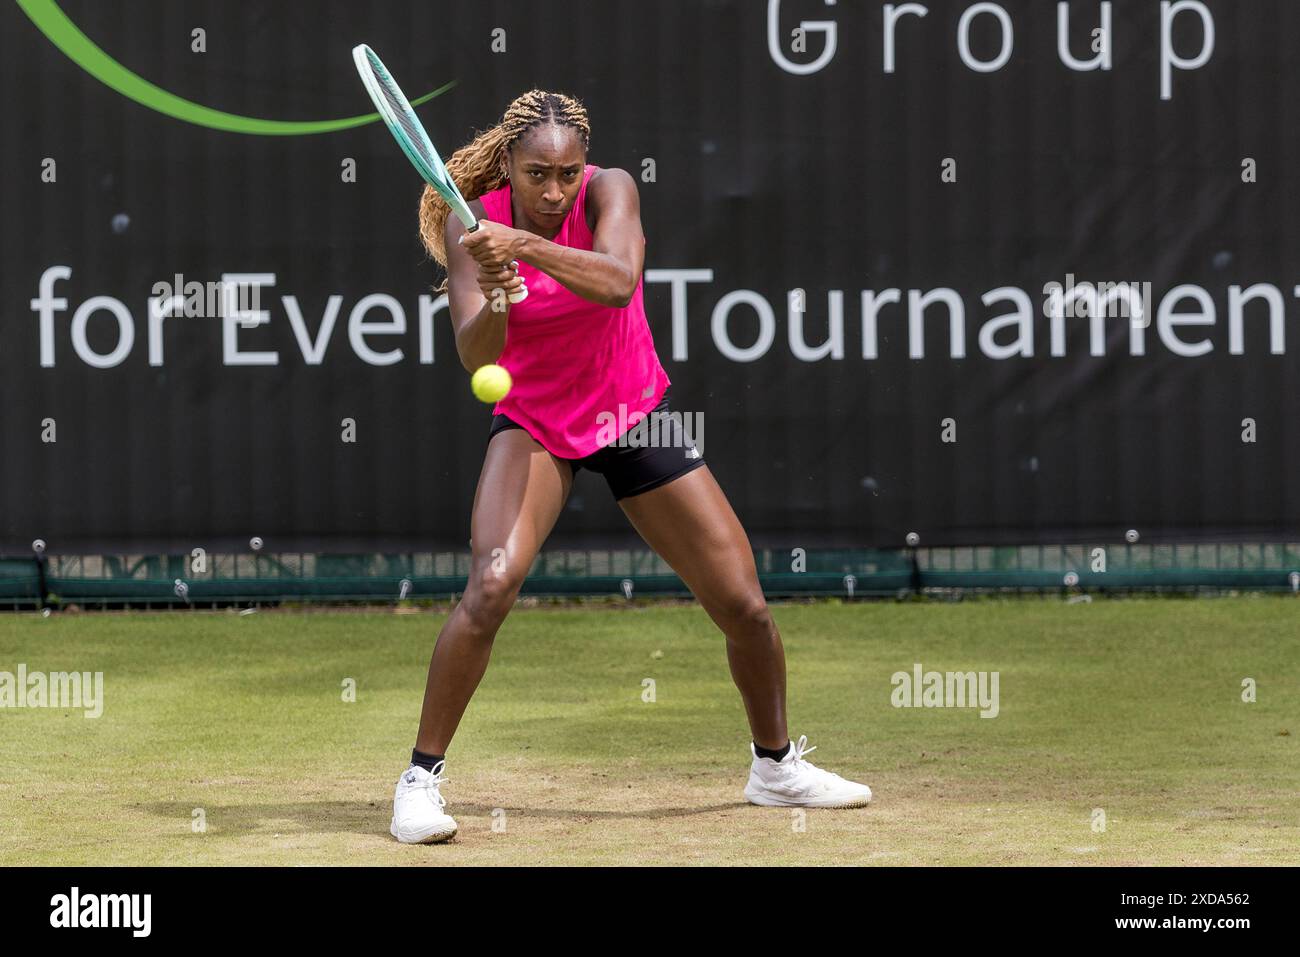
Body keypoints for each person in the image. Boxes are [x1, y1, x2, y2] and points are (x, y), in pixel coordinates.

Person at [391, 90, 871, 844]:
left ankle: (775, 767)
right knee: (489, 583)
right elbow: (475, 355)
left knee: (744, 604)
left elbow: (618, 282)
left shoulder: (612, 189)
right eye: (536, 175)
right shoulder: (468, 219)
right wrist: (501, 301)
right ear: (508, 167)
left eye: (566, 174)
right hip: (536, 421)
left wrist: (524, 249)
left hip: (630, 407)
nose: (553, 192)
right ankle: (419, 782)